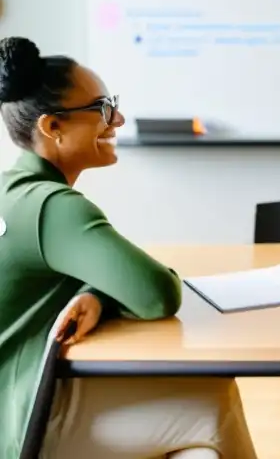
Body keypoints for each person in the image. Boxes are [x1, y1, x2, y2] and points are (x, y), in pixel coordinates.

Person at [0, 37, 257, 459]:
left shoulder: (15, 193)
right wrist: (98, 291)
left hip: (21, 399)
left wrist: (93, 294)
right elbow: (157, 293)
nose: (116, 118)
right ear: (53, 127)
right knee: (214, 403)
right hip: (24, 423)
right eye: (101, 108)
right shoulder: (53, 208)